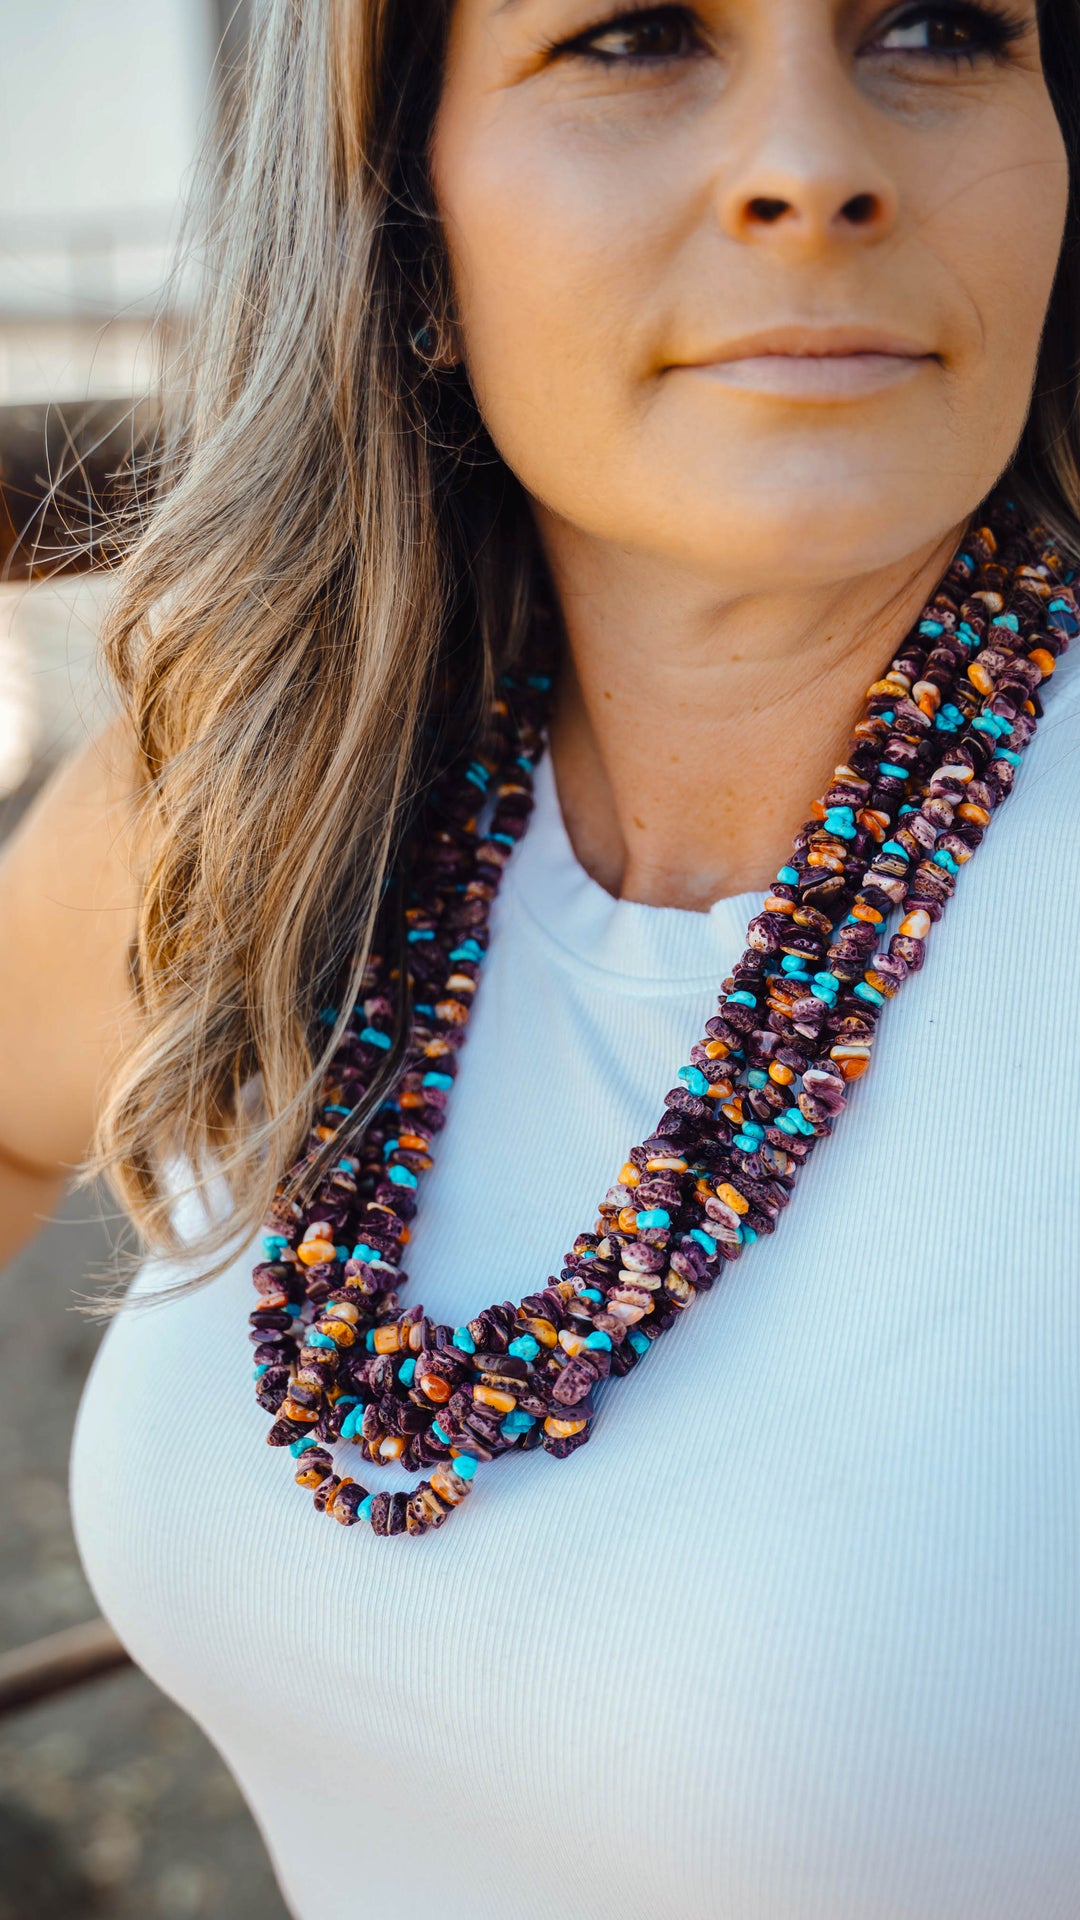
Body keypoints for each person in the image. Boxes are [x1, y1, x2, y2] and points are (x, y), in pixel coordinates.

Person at [2, 0, 1078, 1913]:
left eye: (936, 27)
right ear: (403, 225)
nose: (815, 164)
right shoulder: (256, 777)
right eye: (638, 37)